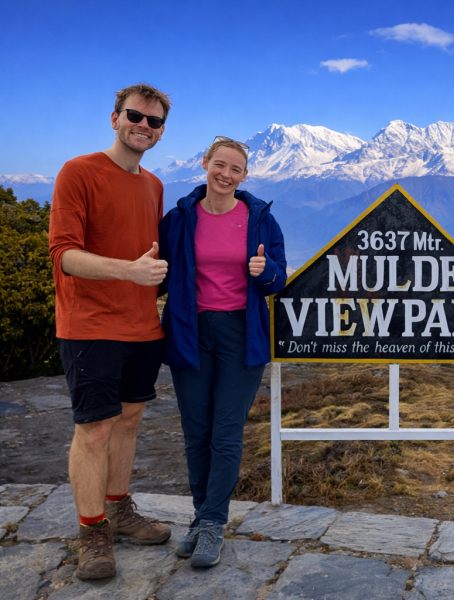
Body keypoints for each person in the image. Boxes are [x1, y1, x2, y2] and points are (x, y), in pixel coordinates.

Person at [49, 84, 173, 580]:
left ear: (162, 131)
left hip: (142, 325)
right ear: (115, 117)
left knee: (128, 420)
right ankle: (92, 530)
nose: (143, 126)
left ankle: (119, 509)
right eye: (135, 116)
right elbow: (65, 255)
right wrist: (128, 272)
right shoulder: (78, 172)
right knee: (94, 428)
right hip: (90, 325)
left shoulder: (154, 185)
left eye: (154, 121)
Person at [158, 136, 287, 568]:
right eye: (220, 165)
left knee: (225, 433)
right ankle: (200, 517)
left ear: (245, 176)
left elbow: (279, 280)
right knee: (196, 432)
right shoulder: (179, 218)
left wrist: (265, 271)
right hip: (190, 331)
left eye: (235, 169)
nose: (226, 174)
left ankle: (213, 522)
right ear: (205, 164)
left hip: (240, 331)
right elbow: (161, 271)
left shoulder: (260, 219)